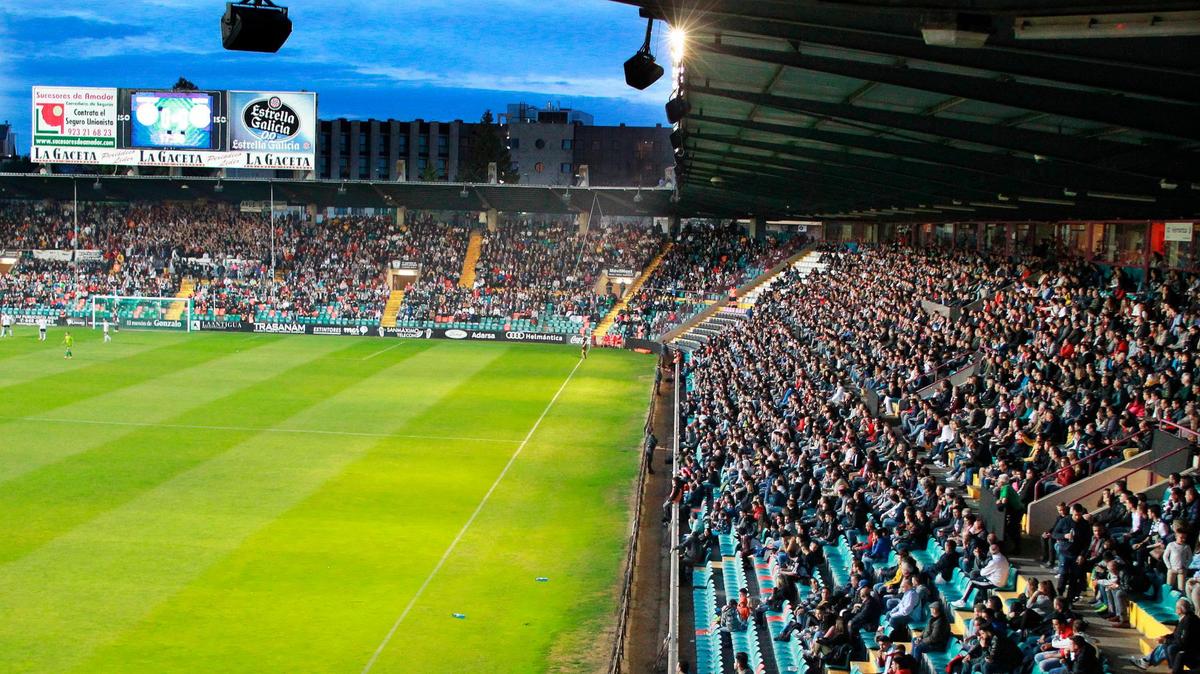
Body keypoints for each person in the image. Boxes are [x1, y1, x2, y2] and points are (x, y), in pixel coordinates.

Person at [1131, 598, 1198, 672]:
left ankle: (1146, 662)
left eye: (1176, 608)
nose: (1175, 610)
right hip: (1184, 646)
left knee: (1168, 647)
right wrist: (1165, 637)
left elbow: (1183, 641)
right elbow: (1176, 635)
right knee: (1164, 645)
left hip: (1191, 650)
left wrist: (1166, 640)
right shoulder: (1186, 618)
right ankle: (1145, 661)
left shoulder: (1188, 621)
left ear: (1180, 610)